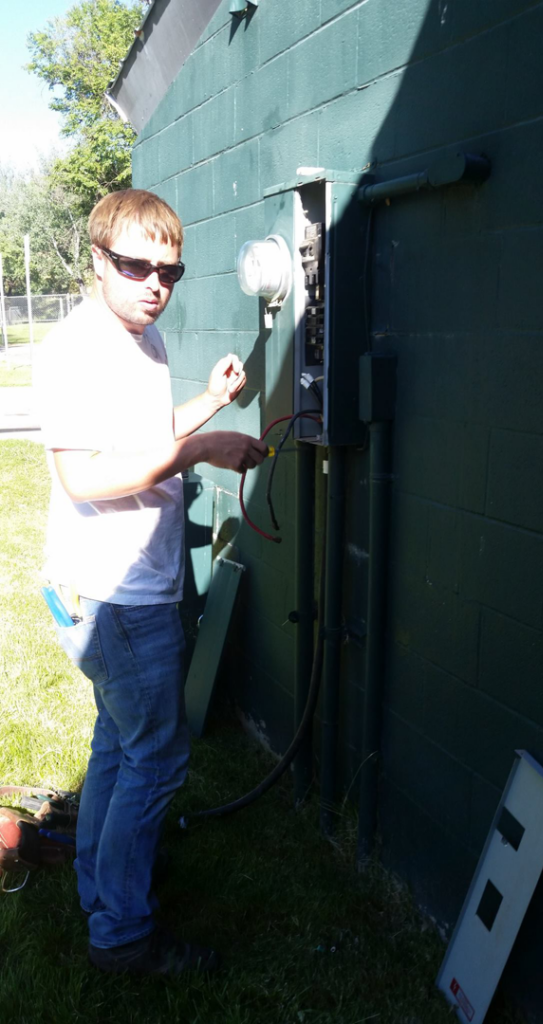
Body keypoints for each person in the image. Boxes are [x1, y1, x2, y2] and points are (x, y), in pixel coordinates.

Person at [34, 188, 268, 976]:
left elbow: (142, 437)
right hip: (114, 596)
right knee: (158, 758)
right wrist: (201, 453)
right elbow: (83, 479)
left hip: (133, 589)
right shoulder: (77, 347)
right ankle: (124, 935)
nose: (155, 283)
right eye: (136, 266)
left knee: (119, 743)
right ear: (98, 258)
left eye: (170, 270)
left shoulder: (148, 338)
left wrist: (208, 402)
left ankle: (100, 883)